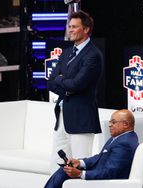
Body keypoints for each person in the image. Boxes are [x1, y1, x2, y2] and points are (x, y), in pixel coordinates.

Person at [47, 10, 104, 173]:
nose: (70, 30)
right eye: (69, 26)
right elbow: (51, 82)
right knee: (56, 166)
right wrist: (65, 85)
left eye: (74, 27)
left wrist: (61, 80)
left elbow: (77, 84)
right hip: (62, 117)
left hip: (82, 119)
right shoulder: (65, 54)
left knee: (78, 168)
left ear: (86, 29)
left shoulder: (93, 55)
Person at [44, 109, 139, 188]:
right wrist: (80, 162)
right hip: (100, 173)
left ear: (126, 124)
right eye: (110, 122)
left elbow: (110, 173)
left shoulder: (124, 144)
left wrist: (80, 174)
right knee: (65, 170)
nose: (110, 125)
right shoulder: (121, 137)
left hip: (105, 182)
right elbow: (101, 157)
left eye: (113, 122)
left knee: (63, 173)